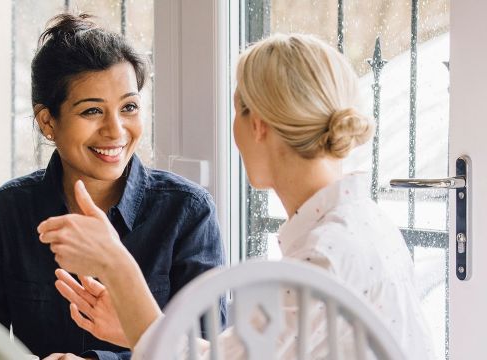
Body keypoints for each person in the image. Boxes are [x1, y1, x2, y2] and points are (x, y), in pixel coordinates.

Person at [38, 33, 435, 359]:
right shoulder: (357, 225)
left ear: (257, 124)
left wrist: (115, 263)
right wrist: (135, 327)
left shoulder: (324, 256)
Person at [0, 13, 226, 360]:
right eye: (92, 111)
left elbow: (209, 351)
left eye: (129, 107)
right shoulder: (6, 212)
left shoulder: (188, 211)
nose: (116, 130)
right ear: (47, 122)